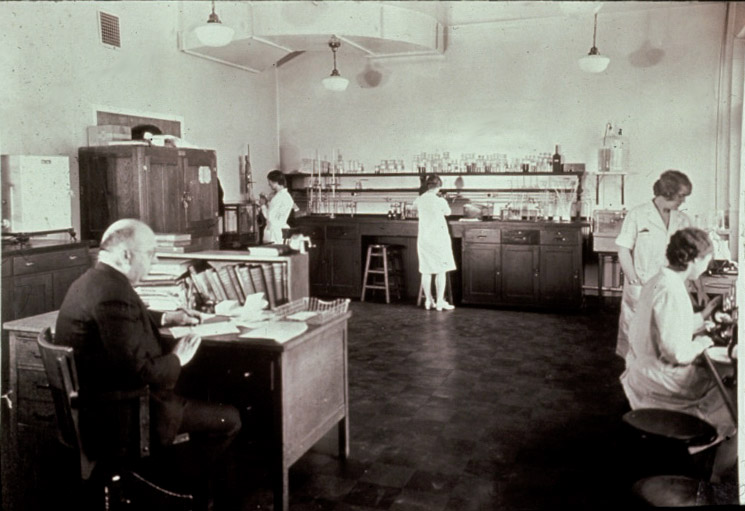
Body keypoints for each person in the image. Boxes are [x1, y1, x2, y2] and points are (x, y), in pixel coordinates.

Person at [54, 219, 241, 506]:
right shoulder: (113, 293)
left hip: (100, 409)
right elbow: (142, 371)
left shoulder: (92, 282)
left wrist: (167, 318)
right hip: (126, 418)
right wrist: (178, 357)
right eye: (150, 253)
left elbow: (122, 321)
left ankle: (167, 482)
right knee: (230, 418)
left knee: (201, 392)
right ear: (126, 255)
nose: (154, 261)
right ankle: (179, 492)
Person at [620, 228, 735, 480]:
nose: (707, 265)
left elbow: (670, 325)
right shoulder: (671, 290)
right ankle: (713, 476)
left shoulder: (662, 279)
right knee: (733, 399)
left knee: (724, 385)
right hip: (659, 376)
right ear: (693, 260)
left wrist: (704, 320)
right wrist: (704, 342)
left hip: (645, 366)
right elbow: (676, 353)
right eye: (706, 260)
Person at [614, 170, 693, 359]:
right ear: (667, 193)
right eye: (681, 196)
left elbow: (691, 255)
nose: (683, 201)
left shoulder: (683, 219)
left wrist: (695, 283)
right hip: (642, 284)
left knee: (668, 337)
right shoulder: (638, 214)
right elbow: (623, 249)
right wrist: (633, 280)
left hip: (672, 287)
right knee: (638, 340)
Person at [413, 174, 456, 311]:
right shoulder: (440, 200)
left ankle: (428, 301)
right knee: (440, 270)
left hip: (425, 239)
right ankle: (439, 302)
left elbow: (413, 209)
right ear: (439, 186)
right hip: (439, 239)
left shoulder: (419, 199)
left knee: (426, 270)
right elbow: (448, 213)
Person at [259, 169, 297, 244]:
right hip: (281, 229)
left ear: (275, 182)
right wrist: (268, 202)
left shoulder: (279, 197)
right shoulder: (286, 196)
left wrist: (263, 205)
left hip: (275, 231)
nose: (269, 184)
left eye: (269, 182)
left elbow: (270, 217)